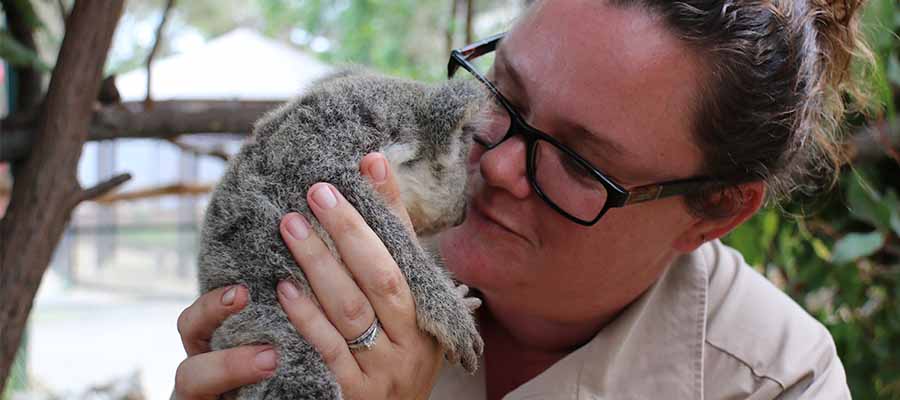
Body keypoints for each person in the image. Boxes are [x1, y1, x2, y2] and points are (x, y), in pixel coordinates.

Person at [172, 0, 871, 398]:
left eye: (579, 158)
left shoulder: (774, 381)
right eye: (505, 92)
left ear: (717, 210)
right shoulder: (355, 248)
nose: (499, 165)